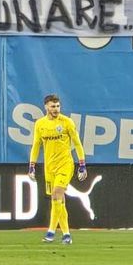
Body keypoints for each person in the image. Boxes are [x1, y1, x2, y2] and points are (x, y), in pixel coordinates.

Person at [27, 94, 87, 245]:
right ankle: (66, 234)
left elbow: (77, 143)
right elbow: (36, 145)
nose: (56, 109)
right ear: (46, 107)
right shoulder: (40, 124)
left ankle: (51, 232)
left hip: (65, 165)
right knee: (59, 201)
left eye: (58, 106)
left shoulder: (67, 122)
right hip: (49, 167)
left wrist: (82, 164)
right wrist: (32, 165)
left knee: (56, 194)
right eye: (53, 106)